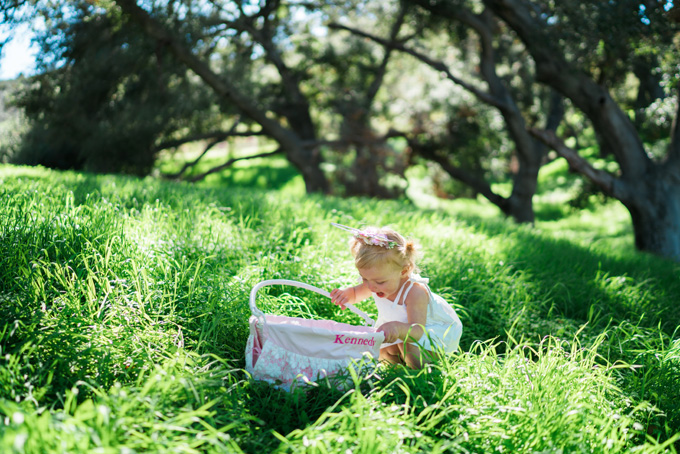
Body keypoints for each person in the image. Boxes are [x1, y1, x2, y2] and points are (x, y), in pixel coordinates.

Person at [330, 223, 463, 369]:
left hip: (430, 336)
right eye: (364, 279)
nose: (370, 287)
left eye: (379, 282)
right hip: (400, 332)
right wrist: (346, 295)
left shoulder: (415, 292)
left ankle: (419, 375)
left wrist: (398, 329)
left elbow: (418, 332)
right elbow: (356, 293)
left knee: (408, 344)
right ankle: (398, 370)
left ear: (404, 271)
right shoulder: (375, 282)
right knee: (380, 351)